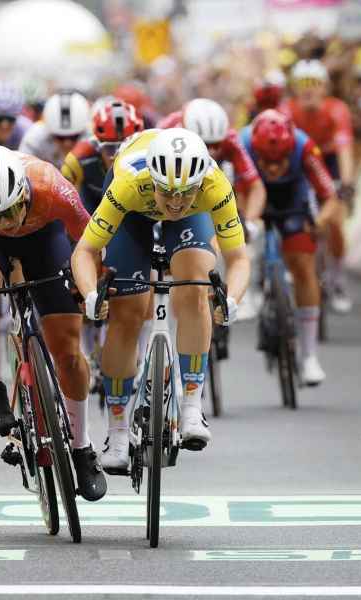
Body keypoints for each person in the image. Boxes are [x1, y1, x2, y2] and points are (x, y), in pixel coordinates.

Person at [0, 146, 107, 502]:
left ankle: (81, 447)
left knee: (68, 354)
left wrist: (85, 289)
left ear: (25, 192)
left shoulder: (51, 186)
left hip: (45, 237)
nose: (6, 222)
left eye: (11, 211)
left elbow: (91, 246)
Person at [70, 128, 251, 472]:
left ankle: (193, 408)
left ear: (200, 183)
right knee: (127, 312)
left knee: (197, 283)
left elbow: (239, 258)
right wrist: (92, 295)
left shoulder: (213, 185)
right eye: (167, 192)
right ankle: (118, 432)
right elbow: (85, 251)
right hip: (133, 214)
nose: (176, 202)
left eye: (185, 193)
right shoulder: (127, 183)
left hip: (187, 223)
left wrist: (234, 301)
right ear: (153, 179)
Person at [241, 110, 342, 386]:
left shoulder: (305, 147)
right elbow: (227, 191)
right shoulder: (242, 145)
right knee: (241, 235)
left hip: (293, 199)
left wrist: (319, 222)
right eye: (267, 162)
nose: (273, 168)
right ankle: (250, 288)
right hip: (251, 194)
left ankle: (309, 355)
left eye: (281, 161)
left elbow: (330, 197)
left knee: (302, 264)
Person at [281, 59, 356, 314]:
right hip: (301, 161)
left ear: (325, 88)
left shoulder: (337, 109)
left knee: (334, 220)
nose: (309, 90)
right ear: (294, 88)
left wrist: (346, 183)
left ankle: (337, 279)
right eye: (304, 84)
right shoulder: (287, 110)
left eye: (315, 84)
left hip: (329, 160)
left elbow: (345, 149)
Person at [157, 98, 266, 223]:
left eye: (215, 145)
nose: (210, 152)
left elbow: (255, 187)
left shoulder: (230, 138)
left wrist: (248, 223)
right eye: (203, 144)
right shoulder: (166, 132)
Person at [61, 99, 144, 210]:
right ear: (97, 145)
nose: (117, 156)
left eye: (127, 147)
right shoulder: (77, 161)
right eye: (110, 148)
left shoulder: (152, 156)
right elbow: (66, 208)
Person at [20, 91, 90, 168]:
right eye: (60, 137)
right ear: (48, 130)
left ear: (83, 131)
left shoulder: (91, 138)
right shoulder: (34, 138)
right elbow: (21, 169)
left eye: (74, 137)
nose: (67, 143)